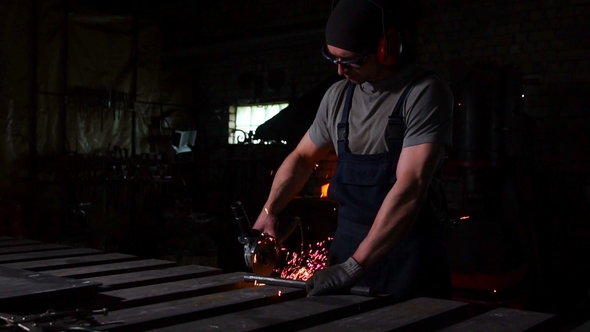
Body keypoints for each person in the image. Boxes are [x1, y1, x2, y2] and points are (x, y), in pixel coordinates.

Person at [253, 0, 453, 302]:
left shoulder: (423, 93)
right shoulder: (337, 96)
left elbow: (410, 188)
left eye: (351, 60)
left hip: (406, 251)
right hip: (347, 246)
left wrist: (352, 269)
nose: (339, 69)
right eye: (332, 58)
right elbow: (302, 158)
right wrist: (269, 211)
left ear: (386, 49)